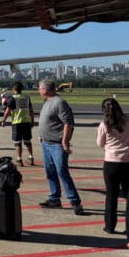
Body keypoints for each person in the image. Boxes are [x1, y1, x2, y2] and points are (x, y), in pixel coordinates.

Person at [38, 78, 85, 215]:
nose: (38, 90)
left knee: (62, 172)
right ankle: (54, 198)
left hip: (57, 145)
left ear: (46, 90)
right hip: (46, 143)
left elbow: (68, 123)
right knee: (50, 172)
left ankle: (75, 202)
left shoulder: (59, 102)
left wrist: (65, 141)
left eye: (40, 88)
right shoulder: (47, 101)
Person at [97, 98, 129, 234]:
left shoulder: (104, 125)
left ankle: (110, 226)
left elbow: (100, 143)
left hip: (112, 163)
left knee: (111, 196)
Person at [0, 82, 35, 166]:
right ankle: (31, 157)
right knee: (27, 141)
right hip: (26, 122)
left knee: (17, 142)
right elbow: (31, 110)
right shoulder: (27, 98)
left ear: (14, 89)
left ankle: (19, 159)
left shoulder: (12, 99)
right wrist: (32, 121)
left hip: (17, 122)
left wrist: (3, 120)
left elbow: (7, 112)